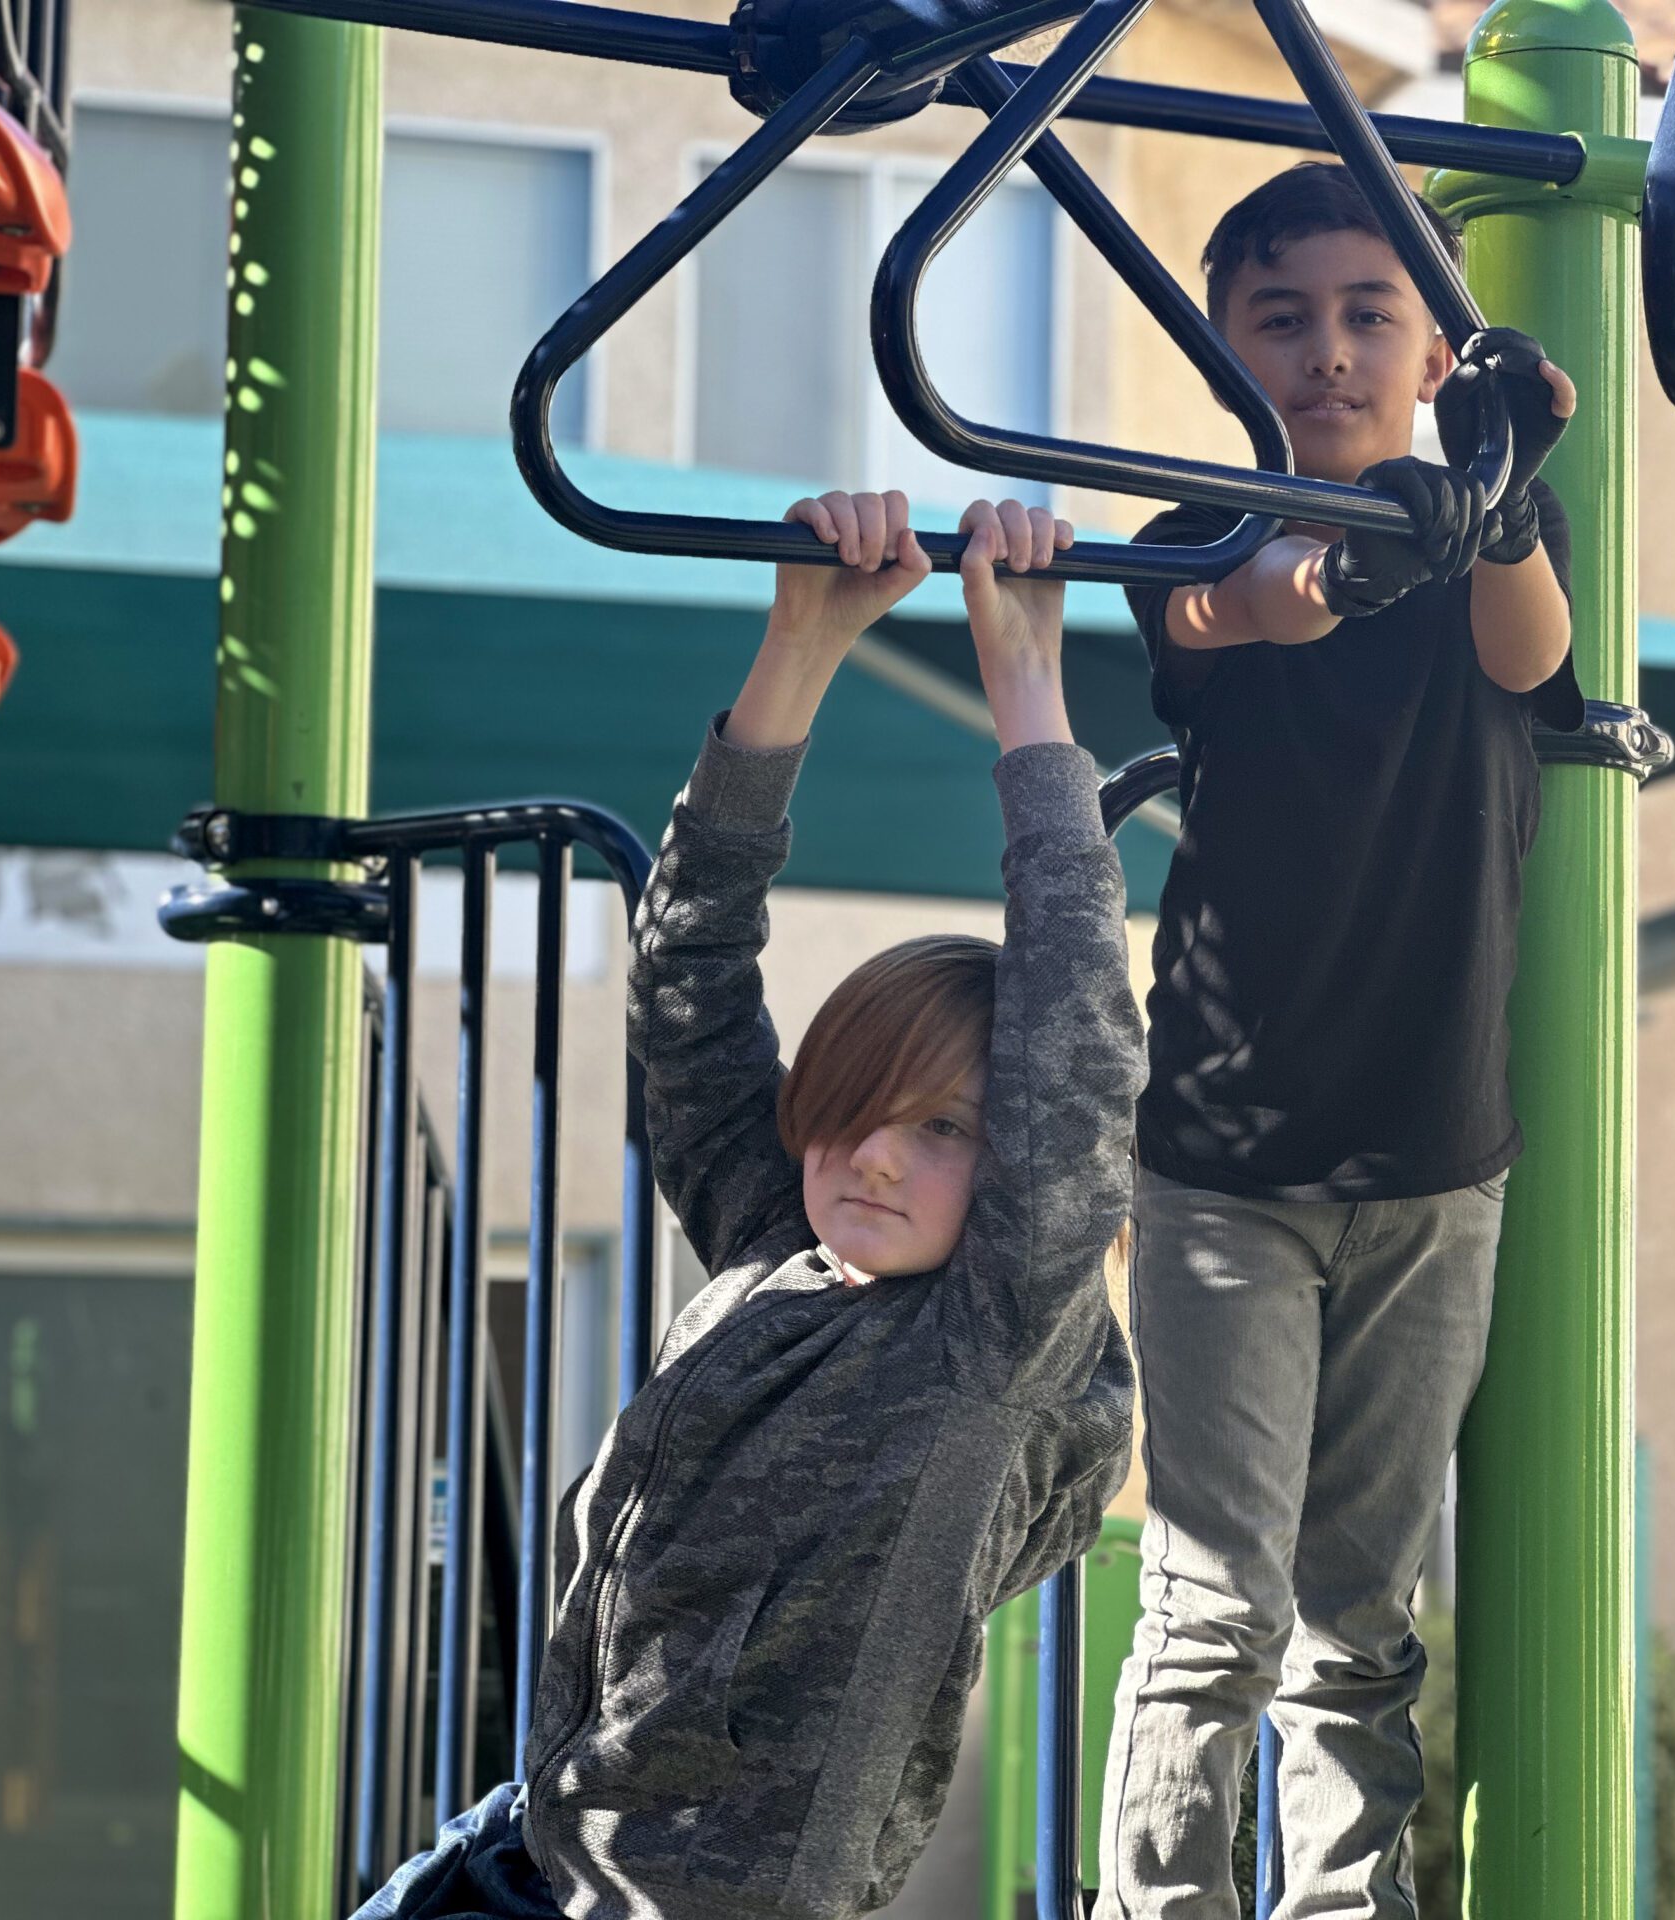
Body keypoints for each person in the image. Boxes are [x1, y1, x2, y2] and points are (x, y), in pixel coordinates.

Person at [354, 489, 1146, 1920]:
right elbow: (689, 990)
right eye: (855, 1107)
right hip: (538, 1848)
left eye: (947, 1129)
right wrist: (798, 647)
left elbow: (1080, 1045)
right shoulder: (784, 1252)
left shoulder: (985, 1357)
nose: (876, 1156)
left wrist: (1027, 679)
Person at [1092, 161, 1578, 1920]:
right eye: (1279, 318)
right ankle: (1160, 1906)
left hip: (1434, 1159)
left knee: (1358, 1617)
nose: (1327, 349)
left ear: (1436, 348)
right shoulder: (1190, 536)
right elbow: (1255, 608)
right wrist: (1355, 543)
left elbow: (1533, 658)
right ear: (1222, 348)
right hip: (1228, 1164)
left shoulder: (1489, 529)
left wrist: (1499, 495)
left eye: (1374, 313)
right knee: (1215, 1602)